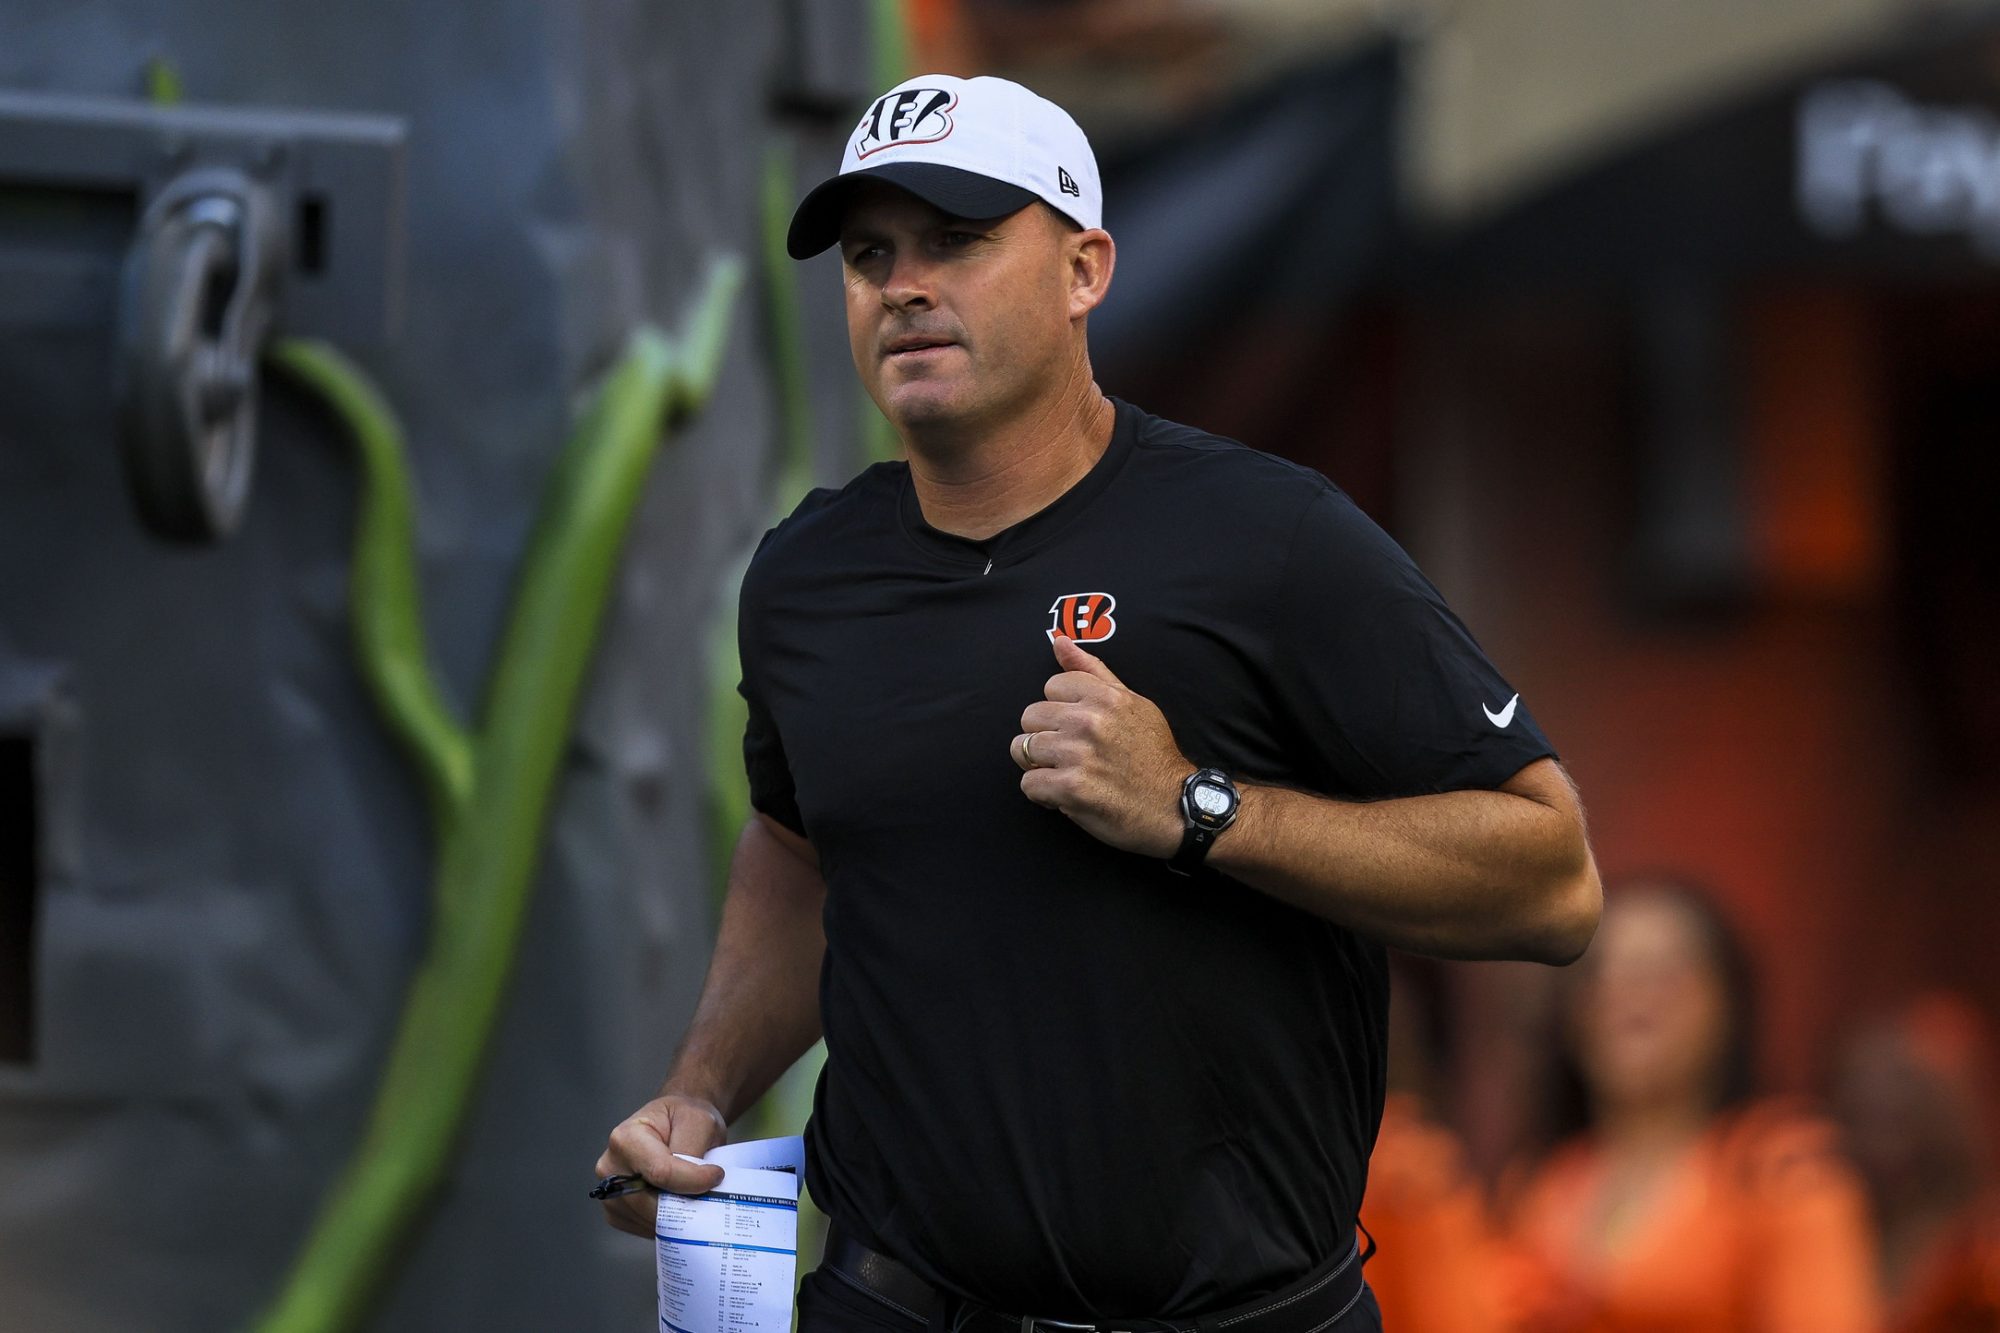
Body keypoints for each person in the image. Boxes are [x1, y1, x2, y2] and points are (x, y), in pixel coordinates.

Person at [597, 72, 1602, 1333]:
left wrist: (1198, 804)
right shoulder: (807, 575)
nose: (902, 285)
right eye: (868, 255)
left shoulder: (1268, 537)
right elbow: (802, 849)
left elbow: (1551, 878)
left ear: (1085, 270)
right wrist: (702, 1086)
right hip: (892, 1301)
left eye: (956, 240)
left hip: (1235, 1316)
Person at [1502, 880, 1881, 1332]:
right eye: (1601, 972)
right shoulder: (1543, 1185)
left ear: (1726, 1004)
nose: (1627, 994)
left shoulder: (1784, 1169)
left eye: (1660, 971)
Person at [1834, 993, 2000, 1333]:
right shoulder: (1829, 1222)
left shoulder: (1980, 1247)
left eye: (1901, 1089)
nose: (1877, 1106)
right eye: (1860, 1091)